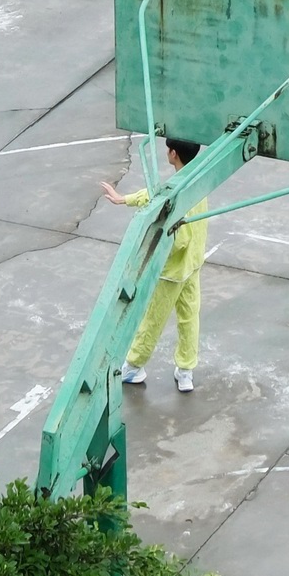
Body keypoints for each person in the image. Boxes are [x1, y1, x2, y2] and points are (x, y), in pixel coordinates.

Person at [105, 137, 211, 392]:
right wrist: (126, 199)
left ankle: (134, 366)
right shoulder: (199, 178)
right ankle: (185, 370)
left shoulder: (177, 190)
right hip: (193, 263)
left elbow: (162, 207)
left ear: (173, 154)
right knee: (189, 318)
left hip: (172, 270)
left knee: (152, 320)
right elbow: (158, 195)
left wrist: (124, 200)